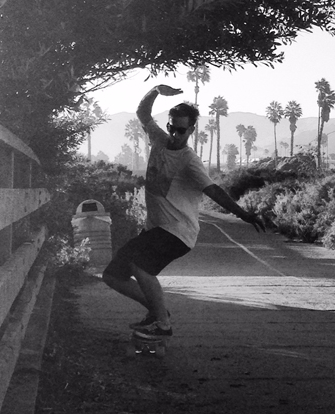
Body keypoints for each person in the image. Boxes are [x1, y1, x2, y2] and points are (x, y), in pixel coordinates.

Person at [102, 84, 265, 339]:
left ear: (190, 130)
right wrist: (156, 90)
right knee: (112, 275)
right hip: (156, 228)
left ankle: (163, 325)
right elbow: (142, 112)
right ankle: (158, 312)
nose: (175, 134)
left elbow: (214, 191)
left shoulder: (190, 161)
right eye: (171, 128)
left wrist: (243, 214)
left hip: (178, 231)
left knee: (139, 265)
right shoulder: (158, 138)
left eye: (181, 130)